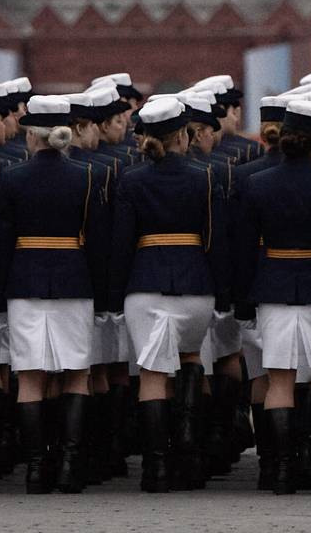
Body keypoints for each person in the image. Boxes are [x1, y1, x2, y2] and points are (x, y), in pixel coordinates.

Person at [109, 95, 225, 494]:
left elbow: (121, 244)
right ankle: (189, 457)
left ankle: (156, 467)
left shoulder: (130, 179)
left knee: (153, 373)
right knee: (191, 360)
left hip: (145, 286)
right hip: (195, 284)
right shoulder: (206, 176)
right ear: (185, 136)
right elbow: (216, 241)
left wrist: (115, 291)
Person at [231, 94, 311, 495]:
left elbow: (244, 249)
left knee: (279, 378)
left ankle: (280, 469)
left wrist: (244, 299)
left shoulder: (257, 183)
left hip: (274, 286)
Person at [0, 94, 105, 494]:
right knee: (76, 373)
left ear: (31, 135)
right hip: (74, 280)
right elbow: (98, 242)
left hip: (25, 281)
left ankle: (38, 467)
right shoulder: (87, 176)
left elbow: (1, 242)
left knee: (31, 376)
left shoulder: (11, 177)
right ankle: (70, 465)